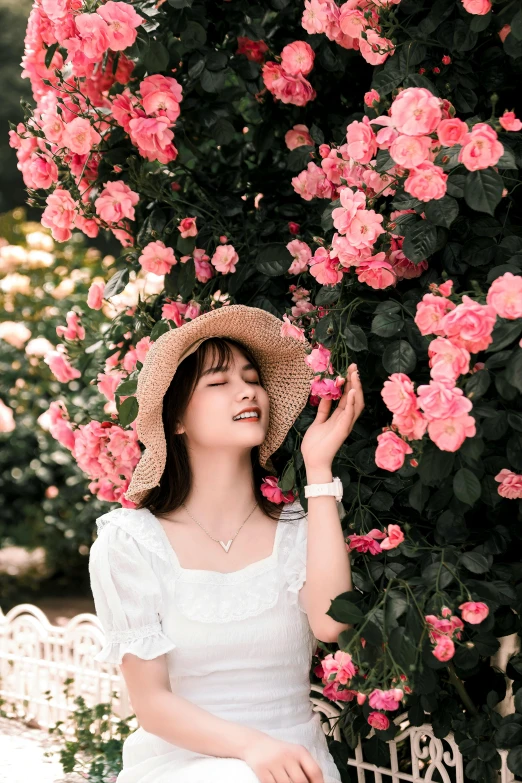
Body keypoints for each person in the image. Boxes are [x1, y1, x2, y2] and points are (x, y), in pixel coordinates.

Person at [88, 304, 364, 783]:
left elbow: (329, 623)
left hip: (295, 767)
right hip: (183, 761)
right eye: (219, 383)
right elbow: (152, 704)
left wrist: (318, 470)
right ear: (176, 419)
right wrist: (251, 748)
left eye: (252, 378)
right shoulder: (130, 544)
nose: (246, 391)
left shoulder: (301, 526)